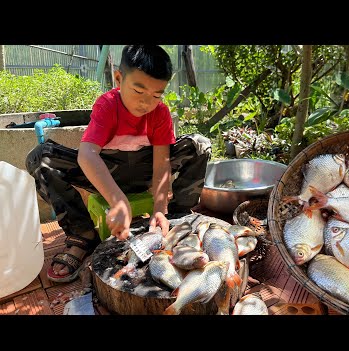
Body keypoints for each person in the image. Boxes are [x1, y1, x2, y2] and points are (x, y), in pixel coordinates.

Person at [26, 45, 212, 283]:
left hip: (145, 172)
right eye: (138, 90)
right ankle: (82, 235)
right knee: (41, 156)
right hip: (107, 173)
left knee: (199, 144)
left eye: (157, 95)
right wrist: (118, 200)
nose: (146, 102)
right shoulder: (108, 105)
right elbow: (87, 155)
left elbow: (162, 162)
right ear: (118, 78)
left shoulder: (160, 113)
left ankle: (176, 218)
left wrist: (159, 208)